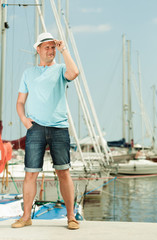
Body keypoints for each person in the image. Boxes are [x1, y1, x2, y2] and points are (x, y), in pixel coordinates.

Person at [11, 32, 79, 230]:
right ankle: (26, 217)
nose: (50, 50)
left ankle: (71, 217)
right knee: (30, 174)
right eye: (46, 47)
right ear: (38, 50)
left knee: (63, 172)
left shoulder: (60, 69)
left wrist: (64, 49)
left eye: (52, 47)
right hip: (36, 129)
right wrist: (25, 120)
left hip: (59, 128)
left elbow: (74, 73)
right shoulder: (28, 73)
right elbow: (20, 102)